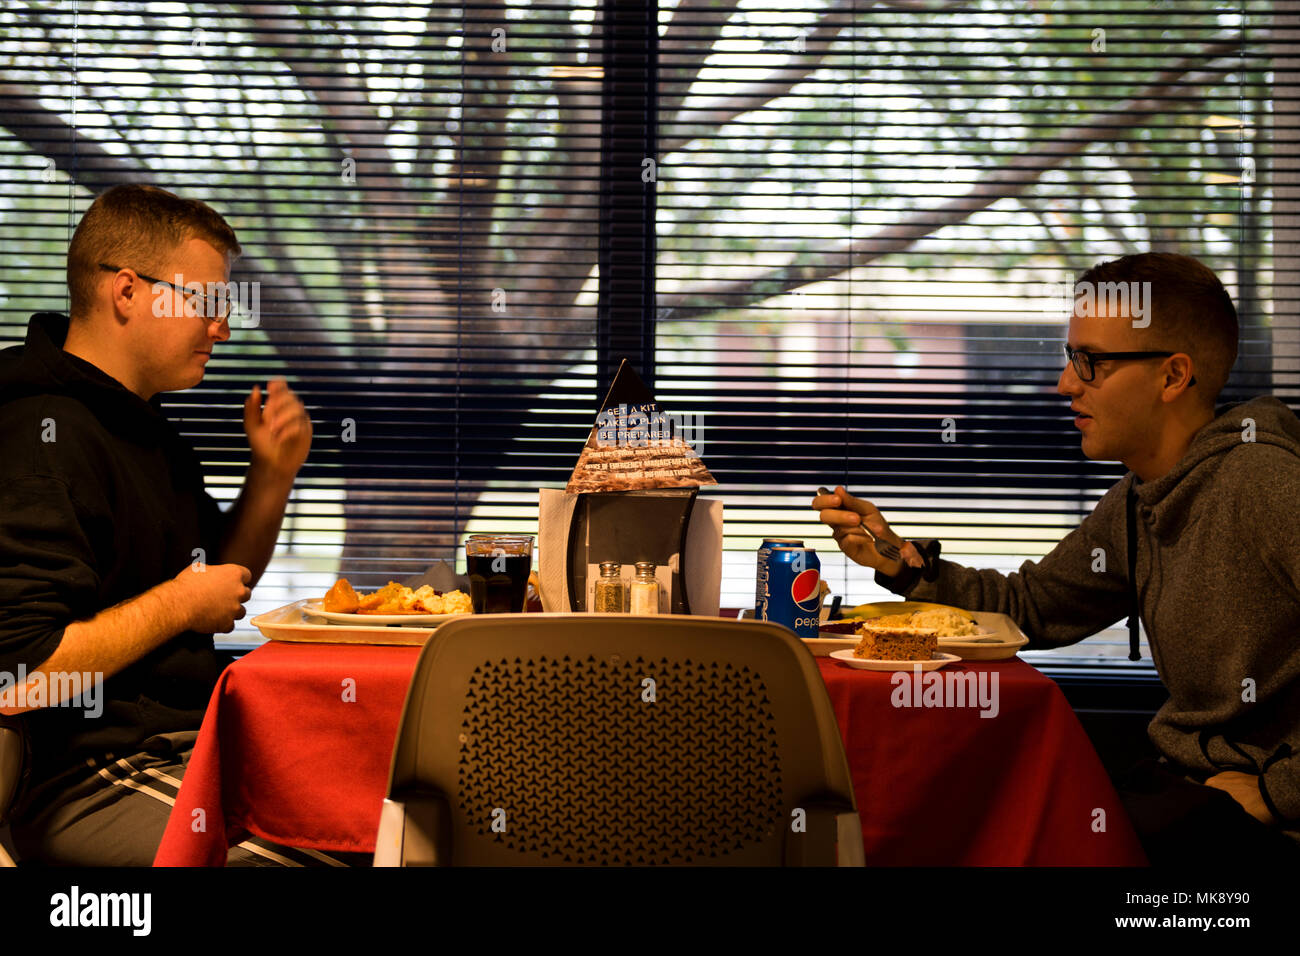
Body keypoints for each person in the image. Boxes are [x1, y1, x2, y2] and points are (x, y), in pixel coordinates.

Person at [813, 252, 1300, 865]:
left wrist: (1276, 794)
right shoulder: (1139, 498)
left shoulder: (1265, 484)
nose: (1066, 384)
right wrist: (899, 561)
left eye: (1090, 362)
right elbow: (1031, 607)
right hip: (1180, 790)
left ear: (1173, 376)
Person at [0, 184, 354, 866]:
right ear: (127, 293)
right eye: (208, 303)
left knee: (383, 829)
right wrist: (178, 602)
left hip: (189, 745)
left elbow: (220, 585)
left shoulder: (146, 425)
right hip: (87, 777)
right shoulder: (41, 435)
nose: (223, 328)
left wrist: (273, 474)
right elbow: (19, 678)